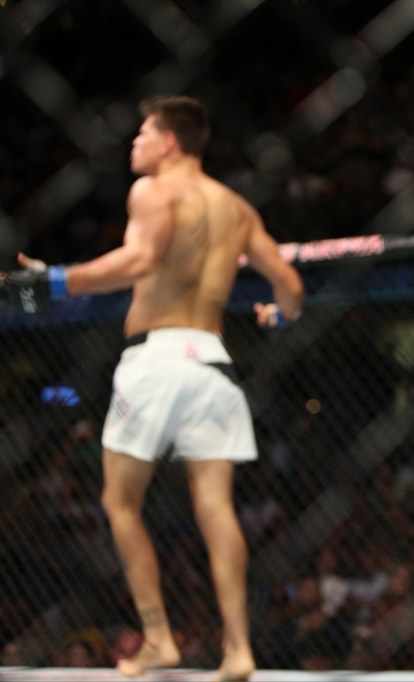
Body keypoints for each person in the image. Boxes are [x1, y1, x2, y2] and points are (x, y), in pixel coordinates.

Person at [3, 95, 304, 680]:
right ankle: (238, 649)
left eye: (142, 133)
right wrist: (280, 316)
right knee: (215, 505)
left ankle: (158, 639)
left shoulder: (154, 191)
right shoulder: (236, 207)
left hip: (157, 358)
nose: (134, 144)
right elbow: (289, 283)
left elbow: (139, 258)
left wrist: (52, 283)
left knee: (120, 501)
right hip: (213, 363)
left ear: (170, 142)